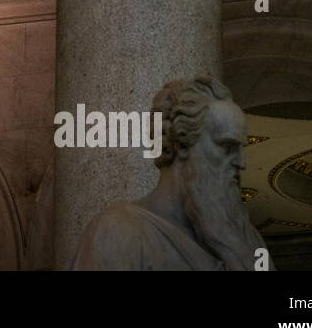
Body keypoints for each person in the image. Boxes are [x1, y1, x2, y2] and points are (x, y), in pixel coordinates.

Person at [71, 74, 271, 271]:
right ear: (182, 143)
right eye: (227, 146)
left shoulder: (248, 242)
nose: (241, 163)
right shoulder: (118, 233)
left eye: (240, 149)